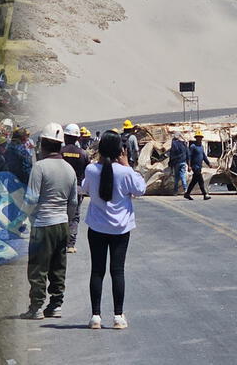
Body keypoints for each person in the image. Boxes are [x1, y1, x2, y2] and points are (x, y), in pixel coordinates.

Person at [81, 130, 145, 329]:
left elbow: (85, 188)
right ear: (120, 150)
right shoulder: (125, 172)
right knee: (117, 271)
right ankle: (118, 316)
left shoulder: (91, 170)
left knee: (97, 271)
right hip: (120, 229)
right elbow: (140, 189)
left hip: (97, 227)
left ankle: (95, 316)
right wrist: (127, 165)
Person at [20, 123, 78, 320]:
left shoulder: (40, 167)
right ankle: (55, 305)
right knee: (58, 266)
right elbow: (73, 202)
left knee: (38, 267)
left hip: (43, 224)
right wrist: (67, 222)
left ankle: (36, 307)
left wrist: (23, 218)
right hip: (62, 224)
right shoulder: (69, 170)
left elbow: (31, 199)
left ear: (43, 144)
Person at [60, 124, 90, 254]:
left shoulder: (60, 153)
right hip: (77, 188)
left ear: (65, 136)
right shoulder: (83, 154)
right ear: (78, 137)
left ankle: (60, 243)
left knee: (60, 215)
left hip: (61, 188)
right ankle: (71, 244)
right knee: (74, 217)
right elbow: (87, 171)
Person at [184, 130, 212, 200]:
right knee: (200, 180)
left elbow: (204, 156)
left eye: (200, 137)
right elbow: (189, 156)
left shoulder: (201, 146)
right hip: (194, 166)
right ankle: (205, 194)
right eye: (198, 137)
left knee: (194, 181)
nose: (199, 139)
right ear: (196, 138)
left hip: (199, 166)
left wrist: (208, 163)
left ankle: (187, 194)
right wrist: (189, 166)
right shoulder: (193, 146)